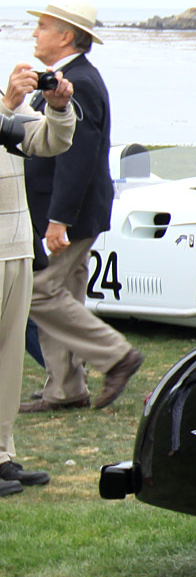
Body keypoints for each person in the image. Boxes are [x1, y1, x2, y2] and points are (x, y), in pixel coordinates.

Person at [21, 0, 143, 414]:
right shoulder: (64, 79)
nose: (35, 33)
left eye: (42, 26)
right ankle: (65, 389)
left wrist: (59, 220)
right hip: (67, 211)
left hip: (66, 213)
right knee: (64, 294)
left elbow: (77, 155)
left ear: (66, 36)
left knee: (37, 292)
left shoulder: (80, 83)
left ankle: (115, 355)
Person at [0, 46, 75, 484]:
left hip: (14, 248)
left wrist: (59, 107)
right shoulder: (5, 103)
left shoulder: (9, 104)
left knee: (10, 359)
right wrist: (8, 105)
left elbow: (50, 141)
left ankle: (3, 452)